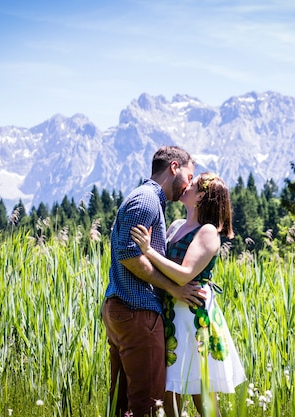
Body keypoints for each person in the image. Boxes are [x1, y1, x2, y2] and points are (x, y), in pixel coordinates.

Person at [130, 172, 246, 417]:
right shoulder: (176, 226)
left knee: (201, 393)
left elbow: (184, 274)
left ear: (202, 196)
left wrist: (148, 251)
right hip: (172, 315)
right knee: (169, 390)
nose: (186, 185)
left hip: (194, 319)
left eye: (192, 185)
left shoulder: (208, 232)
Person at [102, 146, 205, 417]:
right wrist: (173, 288)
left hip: (125, 309)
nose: (188, 185)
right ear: (174, 167)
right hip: (137, 310)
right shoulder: (147, 199)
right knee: (147, 404)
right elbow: (127, 252)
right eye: (189, 175)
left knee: (122, 402)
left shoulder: (146, 198)